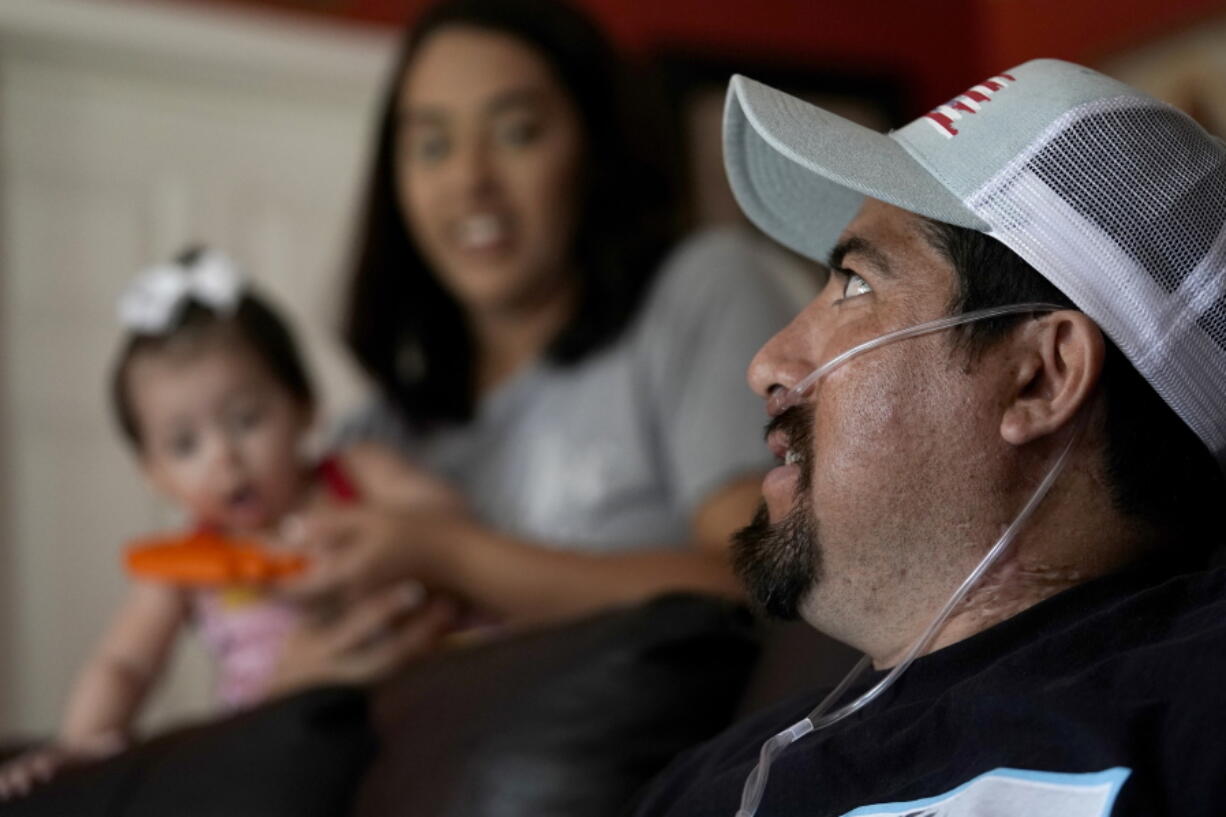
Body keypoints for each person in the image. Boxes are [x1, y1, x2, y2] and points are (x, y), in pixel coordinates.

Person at [630, 59, 1226, 816]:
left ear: (1041, 377)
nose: (766, 364)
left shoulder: (1196, 712)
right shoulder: (703, 785)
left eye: (855, 284)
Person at [281, 0, 802, 633]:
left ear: (593, 145)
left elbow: (760, 582)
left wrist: (446, 552)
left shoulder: (699, 291)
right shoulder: (374, 438)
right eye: (432, 145)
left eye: (516, 132)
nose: (470, 179)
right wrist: (296, 679)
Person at [0, 248, 456, 799]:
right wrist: (77, 746)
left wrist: (378, 535)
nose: (224, 459)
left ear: (305, 405)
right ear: (156, 474)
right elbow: (123, 664)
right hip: (273, 747)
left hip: (403, 704)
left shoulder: (356, 476)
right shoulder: (185, 567)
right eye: (185, 443)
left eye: (246, 420)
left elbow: (451, 528)